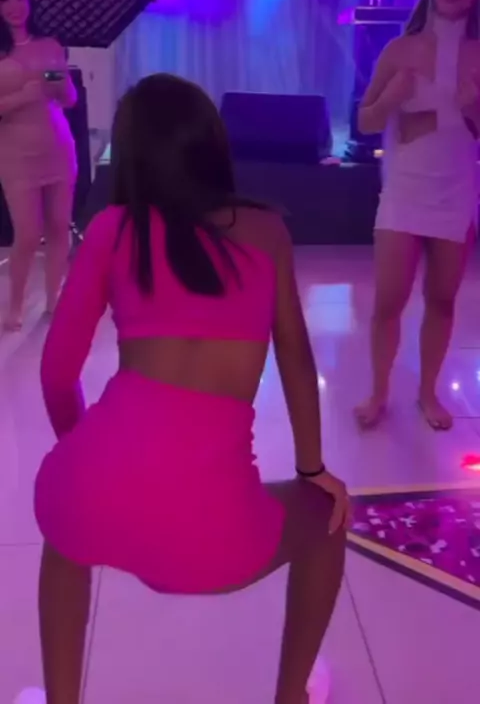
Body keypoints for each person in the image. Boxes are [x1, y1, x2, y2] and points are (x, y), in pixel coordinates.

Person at [33, 74, 348, 704]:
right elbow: (295, 357)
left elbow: (56, 374)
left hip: (89, 490)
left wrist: (88, 457)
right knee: (331, 519)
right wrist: (313, 470)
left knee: (67, 531)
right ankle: (291, 695)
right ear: (212, 142)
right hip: (212, 539)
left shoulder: (113, 228)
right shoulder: (266, 232)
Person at [354, 0, 480, 430]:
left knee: (442, 300)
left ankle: (428, 393)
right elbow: (366, 121)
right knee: (389, 300)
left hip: (456, 191)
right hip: (405, 190)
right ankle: (378, 393)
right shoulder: (400, 48)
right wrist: (391, 100)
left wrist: (473, 108)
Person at [0, 0, 77, 331]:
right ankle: (15, 305)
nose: (14, 5)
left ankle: (54, 299)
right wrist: (24, 95)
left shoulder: (50, 45)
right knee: (28, 235)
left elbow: (69, 98)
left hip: (57, 146)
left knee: (59, 226)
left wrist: (57, 80)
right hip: (15, 153)